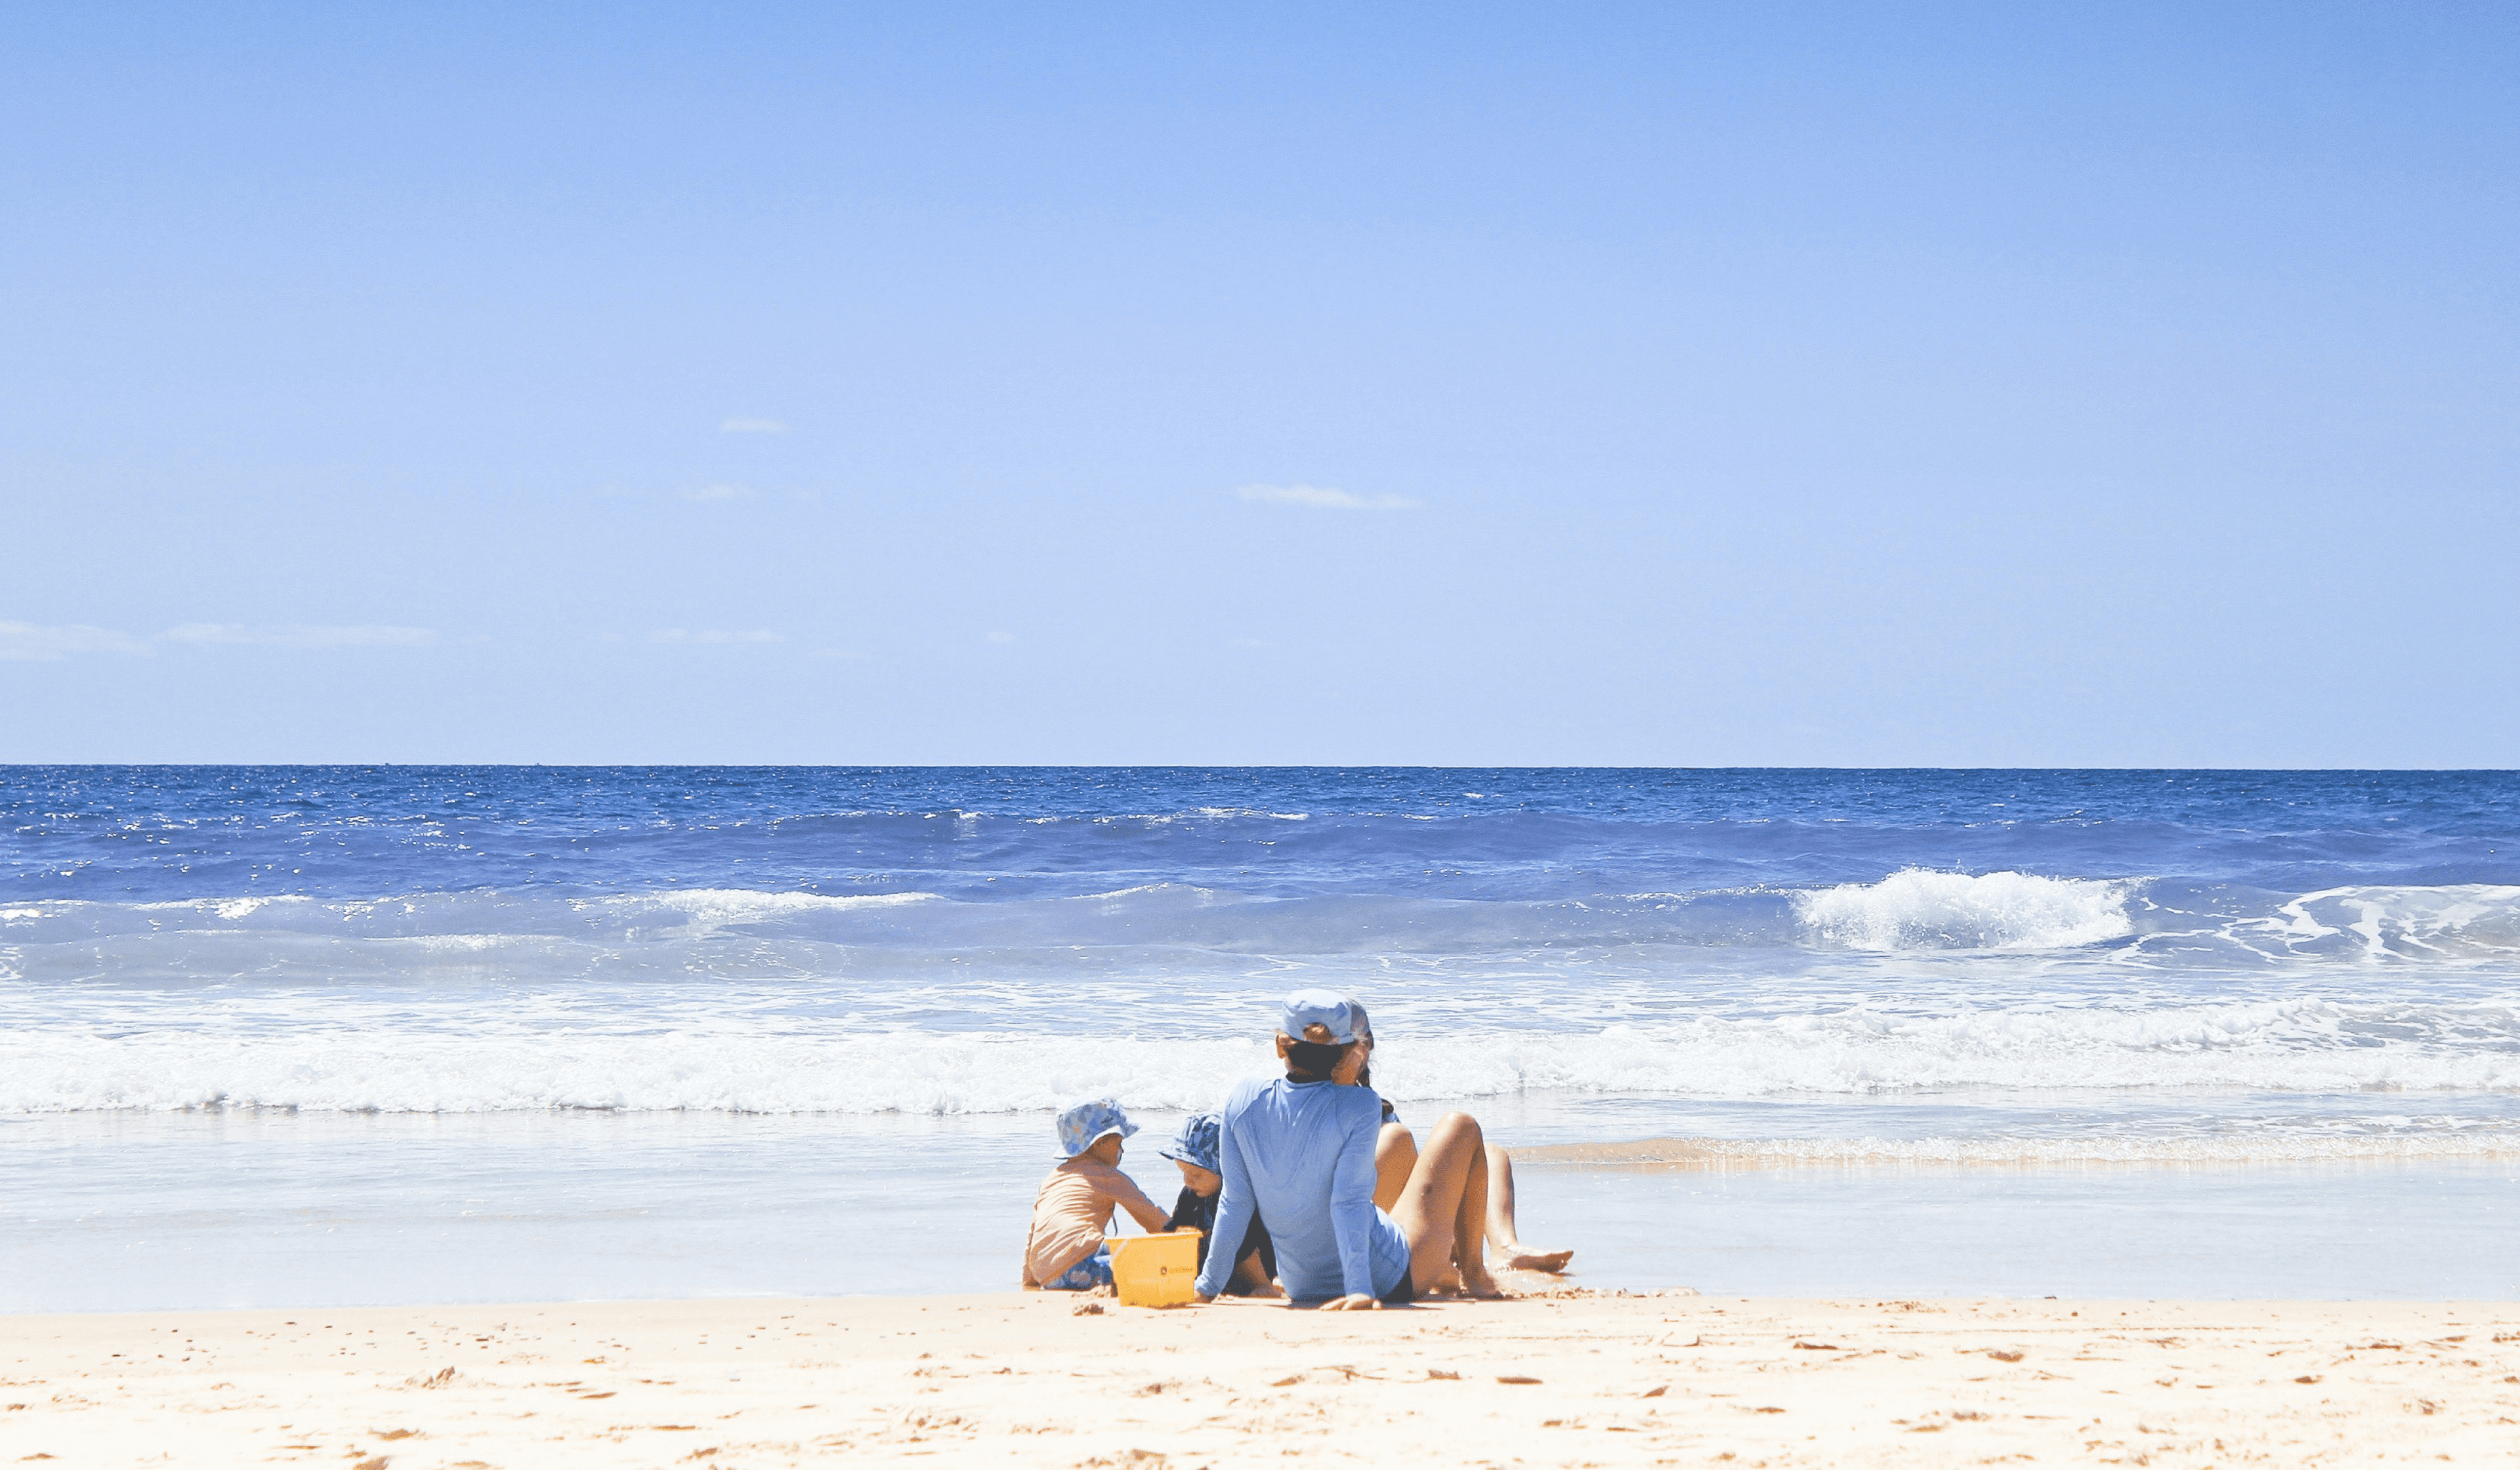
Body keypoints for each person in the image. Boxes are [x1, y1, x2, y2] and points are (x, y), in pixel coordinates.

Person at [1193, 990, 1502, 1309]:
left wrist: (1206, 1287)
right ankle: (1475, 1274)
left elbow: (1236, 1201)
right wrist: (1360, 1289)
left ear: (1279, 1046)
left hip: (1302, 1286)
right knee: (1461, 1126)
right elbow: (1348, 1201)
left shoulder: (1243, 1099)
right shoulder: (1360, 1105)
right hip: (1391, 1278)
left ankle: (1455, 1270)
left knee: (1393, 1156)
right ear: (1348, 1051)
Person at [1350, 1002, 1574, 1275]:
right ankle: (1466, 1263)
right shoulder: (1351, 1110)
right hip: (1378, 1227)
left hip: (1400, 1214)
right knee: (1404, 1141)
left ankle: (1505, 1247)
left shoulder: (1372, 1106)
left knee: (1491, 1154)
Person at [1021, 1097, 1173, 1291]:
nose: (1122, 1150)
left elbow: (1033, 1234)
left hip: (1046, 1274)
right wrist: (1179, 1240)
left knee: (1109, 1248)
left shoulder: (1053, 1179)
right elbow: (1151, 1218)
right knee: (1150, 1260)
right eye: (1119, 1143)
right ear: (1100, 1143)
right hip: (1080, 1269)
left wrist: (1030, 1281)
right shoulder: (1107, 1175)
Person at [1158, 1112, 1280, 1297]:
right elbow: (1171, 1231)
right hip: (1220, 1267)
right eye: (1184, 1173)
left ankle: (1263, 1285)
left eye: (1196, 1175)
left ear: (1225, 1168)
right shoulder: (1191, 1194)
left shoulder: (1239, 1196)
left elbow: (1248, 1241)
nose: (1188, 1182)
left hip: (1259, 1260)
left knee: (1231, 1233)